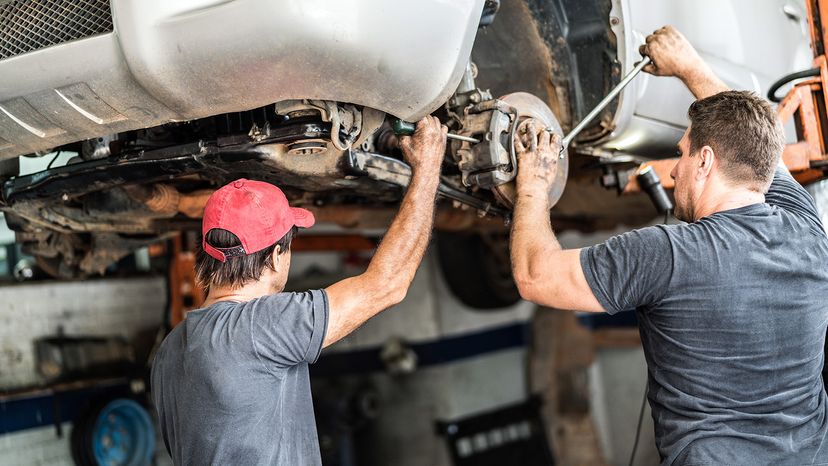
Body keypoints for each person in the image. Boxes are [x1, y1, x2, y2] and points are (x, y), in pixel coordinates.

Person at [510, 26, 828, 465]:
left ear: (705, 161)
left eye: (681, 155)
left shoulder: (671, 255)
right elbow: (754, 144)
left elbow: (534, 275)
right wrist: (689, 67)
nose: (673, 172)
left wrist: (531, 186)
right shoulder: (807, 231)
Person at [151, 116, 447, 465]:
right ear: (276, 256)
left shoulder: (168, 354)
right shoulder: (260, 328)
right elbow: (388, 284)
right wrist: (427, 169)